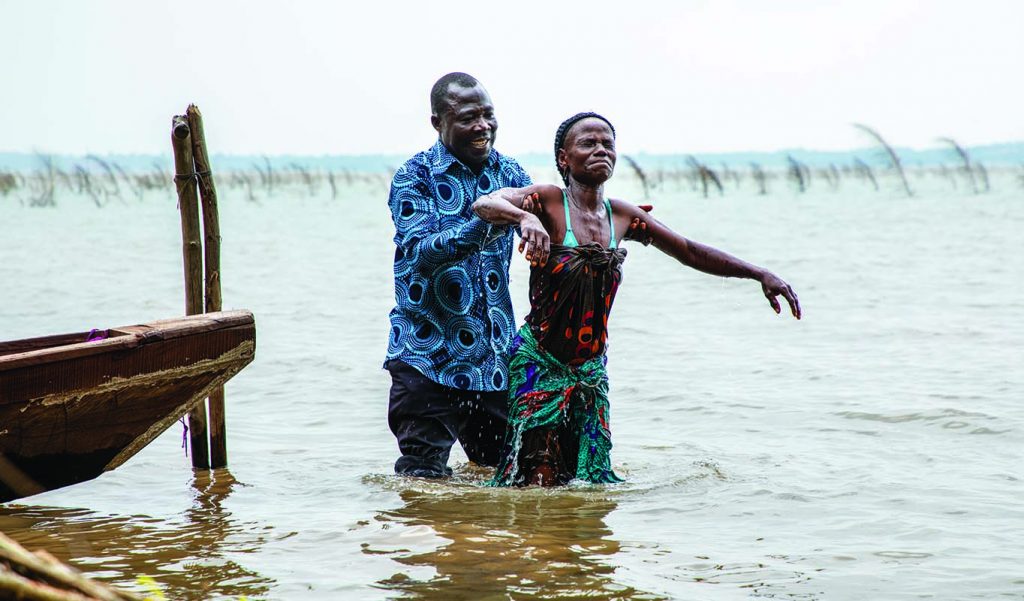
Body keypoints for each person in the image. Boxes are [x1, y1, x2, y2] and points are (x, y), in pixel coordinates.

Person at [471, 112, 801, 487]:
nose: (600, 150)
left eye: (607, 144)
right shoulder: (546, 202)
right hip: (539, 365)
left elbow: (689, 250)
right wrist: (523, 218)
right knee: (537, 481)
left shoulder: (623, 217)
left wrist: (758, 273)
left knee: (590, 484)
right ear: (564, 158)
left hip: (590, 374)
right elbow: (485, 203)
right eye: (588, 143)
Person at [383, 72, 550, 478]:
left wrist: (608, 234)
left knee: (506, 481)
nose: (483, 127)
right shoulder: (415, 176)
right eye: (468, 117)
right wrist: (491, 219)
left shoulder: (510, 175)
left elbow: (553, 234)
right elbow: (421, 253)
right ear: (437, 122)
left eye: (488, 115)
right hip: (427, 358)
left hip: (494, 363)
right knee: (422, 484)